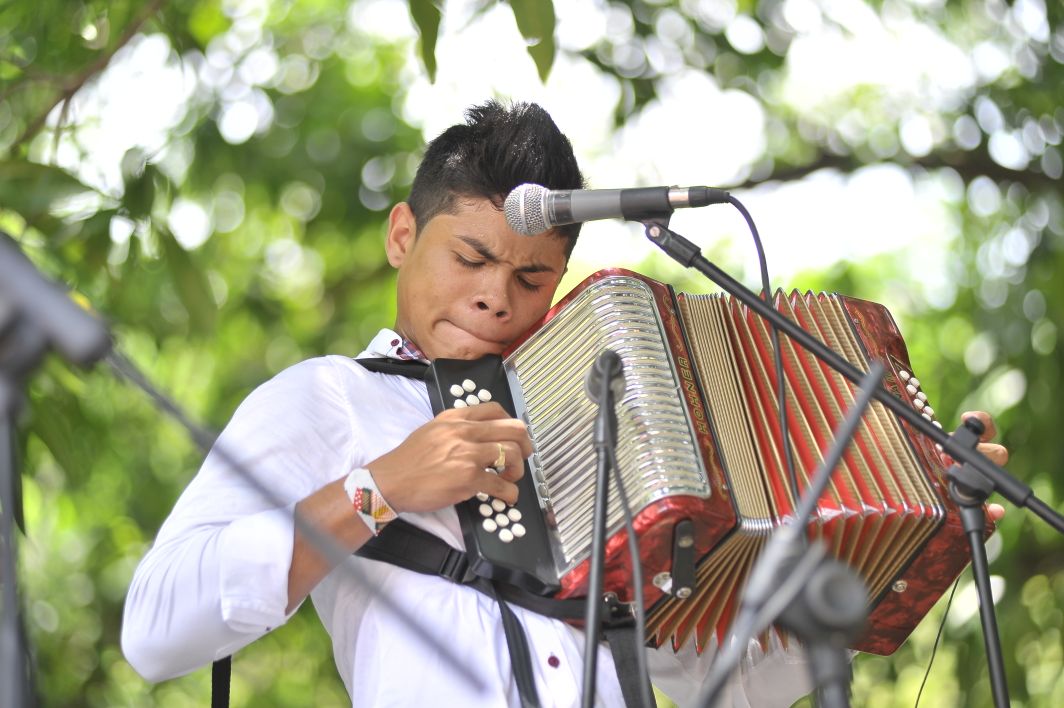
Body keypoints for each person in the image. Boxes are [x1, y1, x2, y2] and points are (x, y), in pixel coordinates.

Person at [121, 100, 1009, 706]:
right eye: (470, 258)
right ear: (402, 235)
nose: (494, 297)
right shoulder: (332, 398)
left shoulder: (606, 419)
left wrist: (917, 540)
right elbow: (156, 629)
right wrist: (377, 490)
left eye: (531, 277)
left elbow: (725, 682)